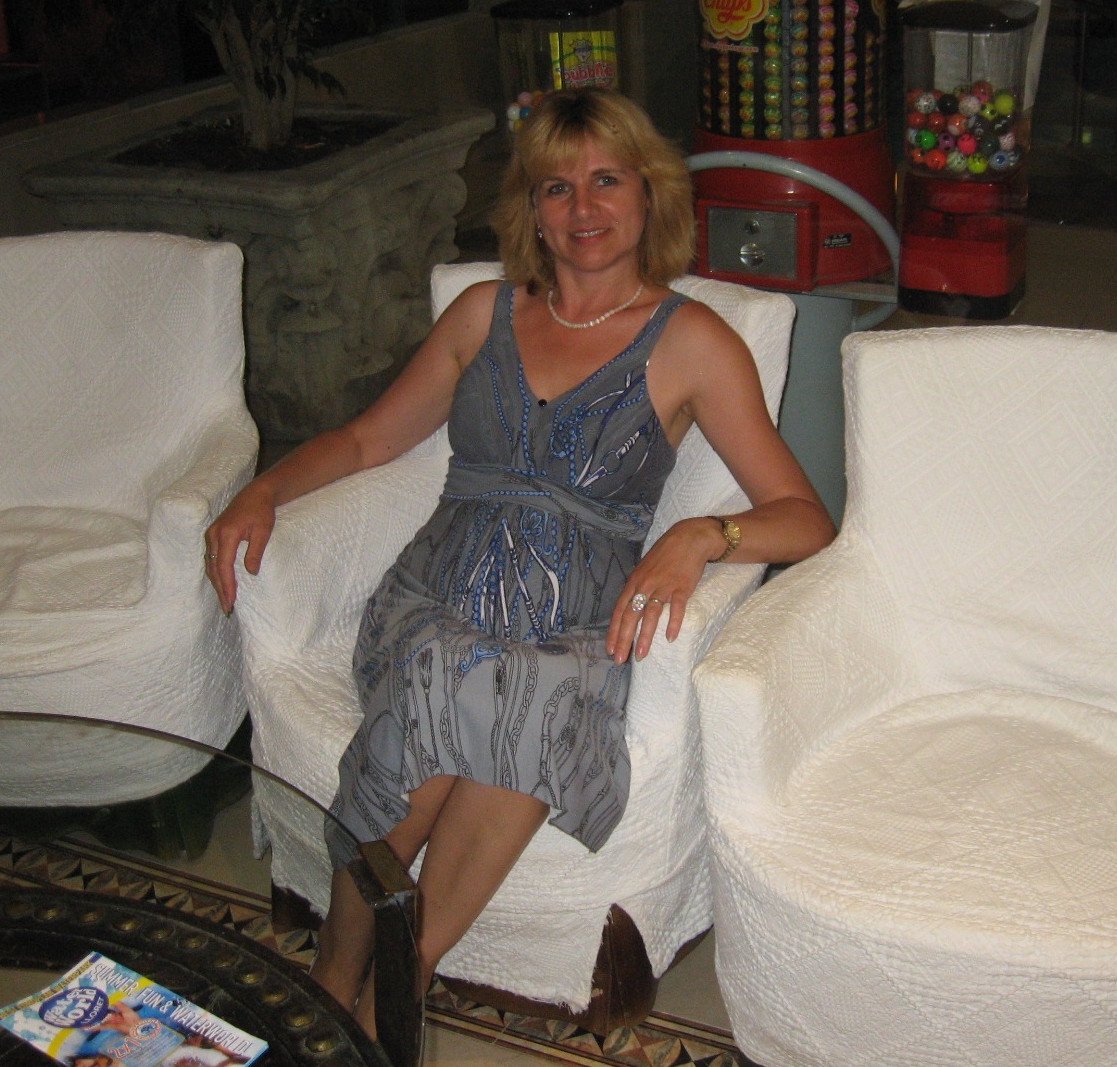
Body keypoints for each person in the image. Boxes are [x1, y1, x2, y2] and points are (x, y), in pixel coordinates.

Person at [203, 88, 835, 1034]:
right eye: (557, 187)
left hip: (572, 624)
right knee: (447, 666)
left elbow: (806, 518)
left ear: (649, 195)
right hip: (435, 594)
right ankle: (337, 971)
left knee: (525, 690)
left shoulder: (693, 342)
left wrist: (706, 534)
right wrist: (262, 491)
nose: (584, 207)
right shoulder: (482, 315)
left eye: (607, 180)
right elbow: (370, 439)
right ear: (532, 210)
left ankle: (399, 976)